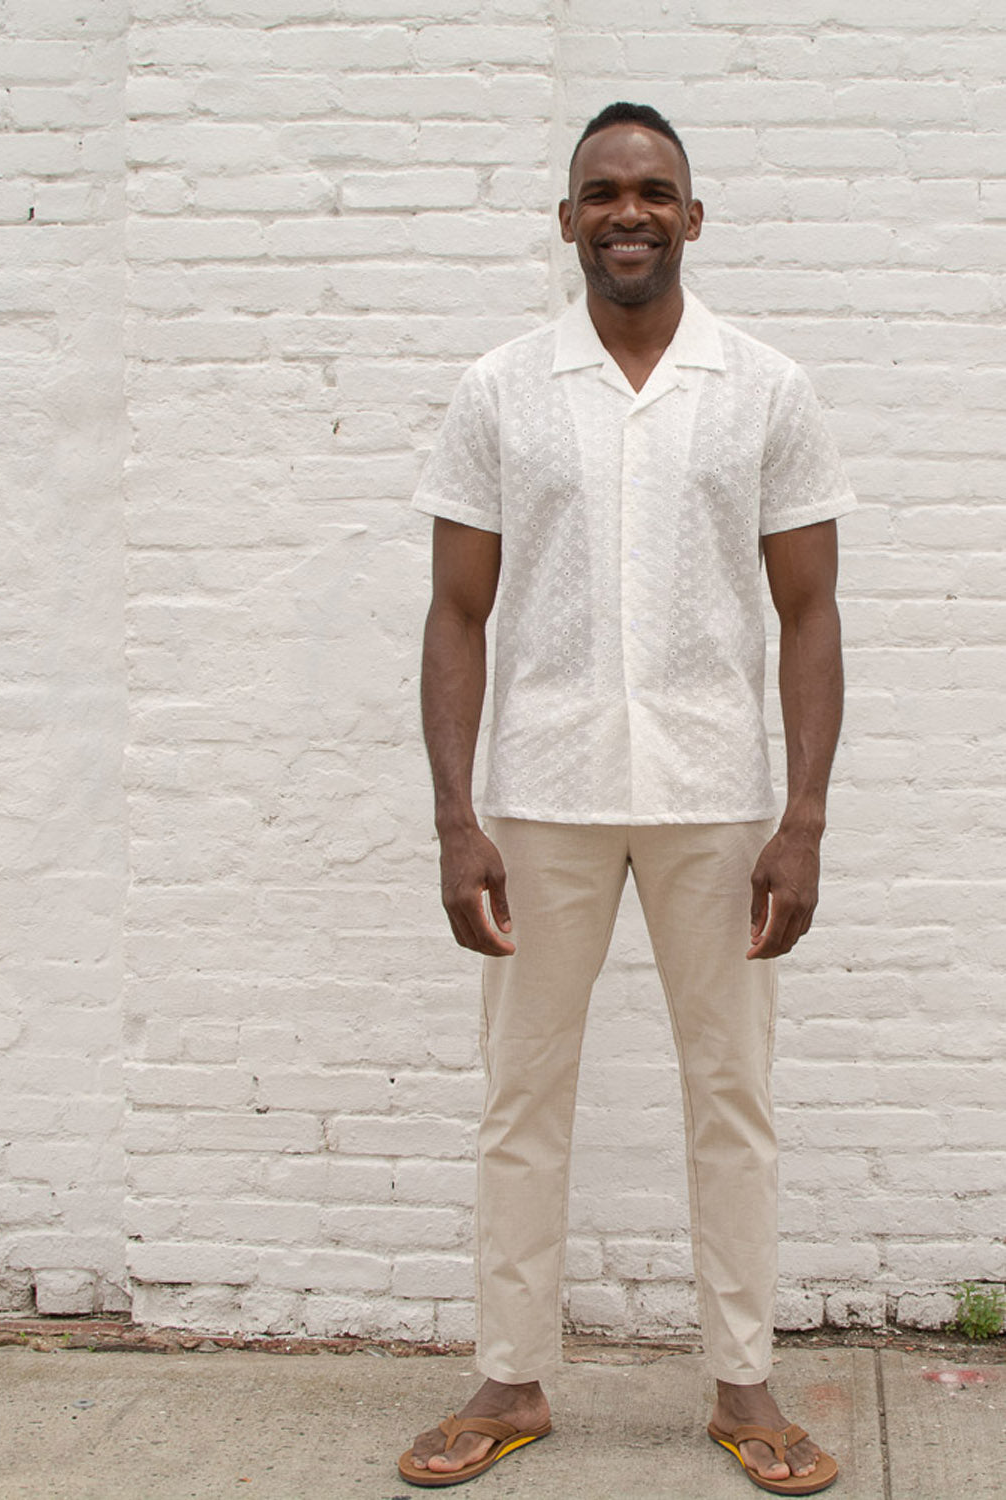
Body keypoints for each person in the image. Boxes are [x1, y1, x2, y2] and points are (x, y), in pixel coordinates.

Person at [400, 102, 852, 1496]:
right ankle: (507, 1377)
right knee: (521, 1093)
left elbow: (810, 611)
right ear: (566, 219)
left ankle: (742, 1386)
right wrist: (454, 816)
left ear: (692, 216)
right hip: (539, 791)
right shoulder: (502, 389)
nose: (628, 212)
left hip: (716, 794)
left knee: (732, 1093)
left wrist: (803, 820)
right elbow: (455, 612)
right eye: (602, 191)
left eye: (653, 190)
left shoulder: (762, 387)